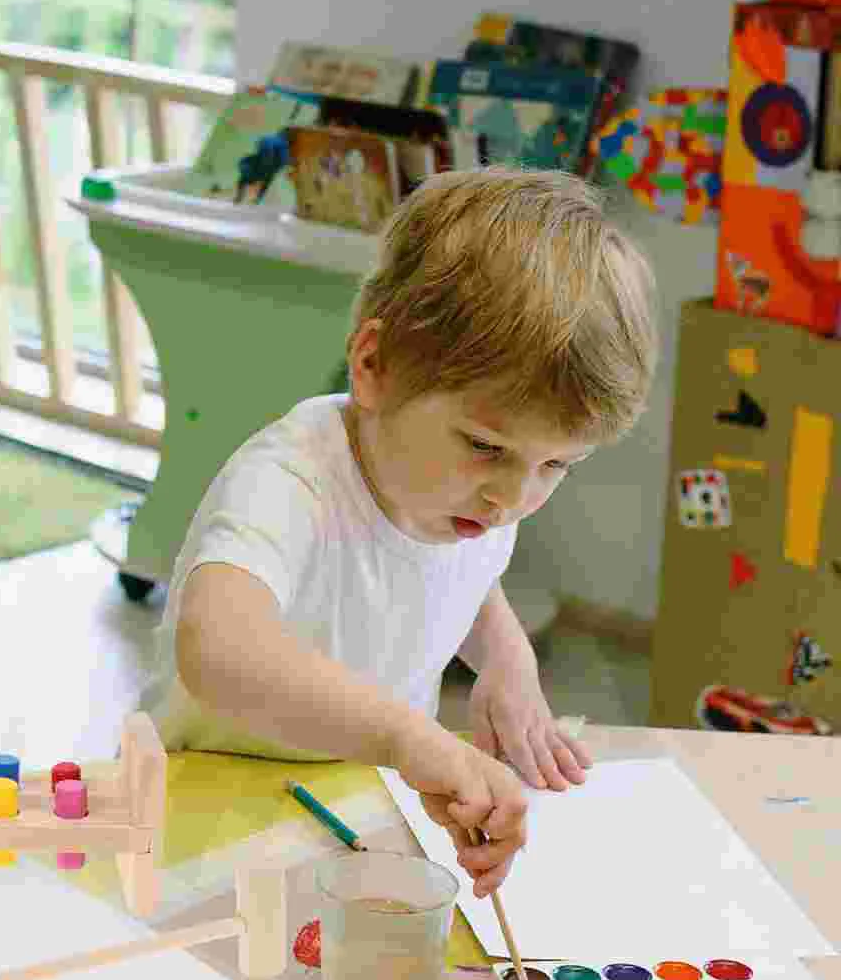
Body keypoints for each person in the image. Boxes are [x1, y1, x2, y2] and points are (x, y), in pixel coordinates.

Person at [142, 167, 659, 897]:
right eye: (487, 446)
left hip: (354, 807)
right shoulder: (289, 482)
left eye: (558, 467)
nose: (515, 496)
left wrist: (507, 663)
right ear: (374, 366)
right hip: (208, 811)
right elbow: (218, 650)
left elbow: (460, 575)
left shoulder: (463, 496)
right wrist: (409, 737)